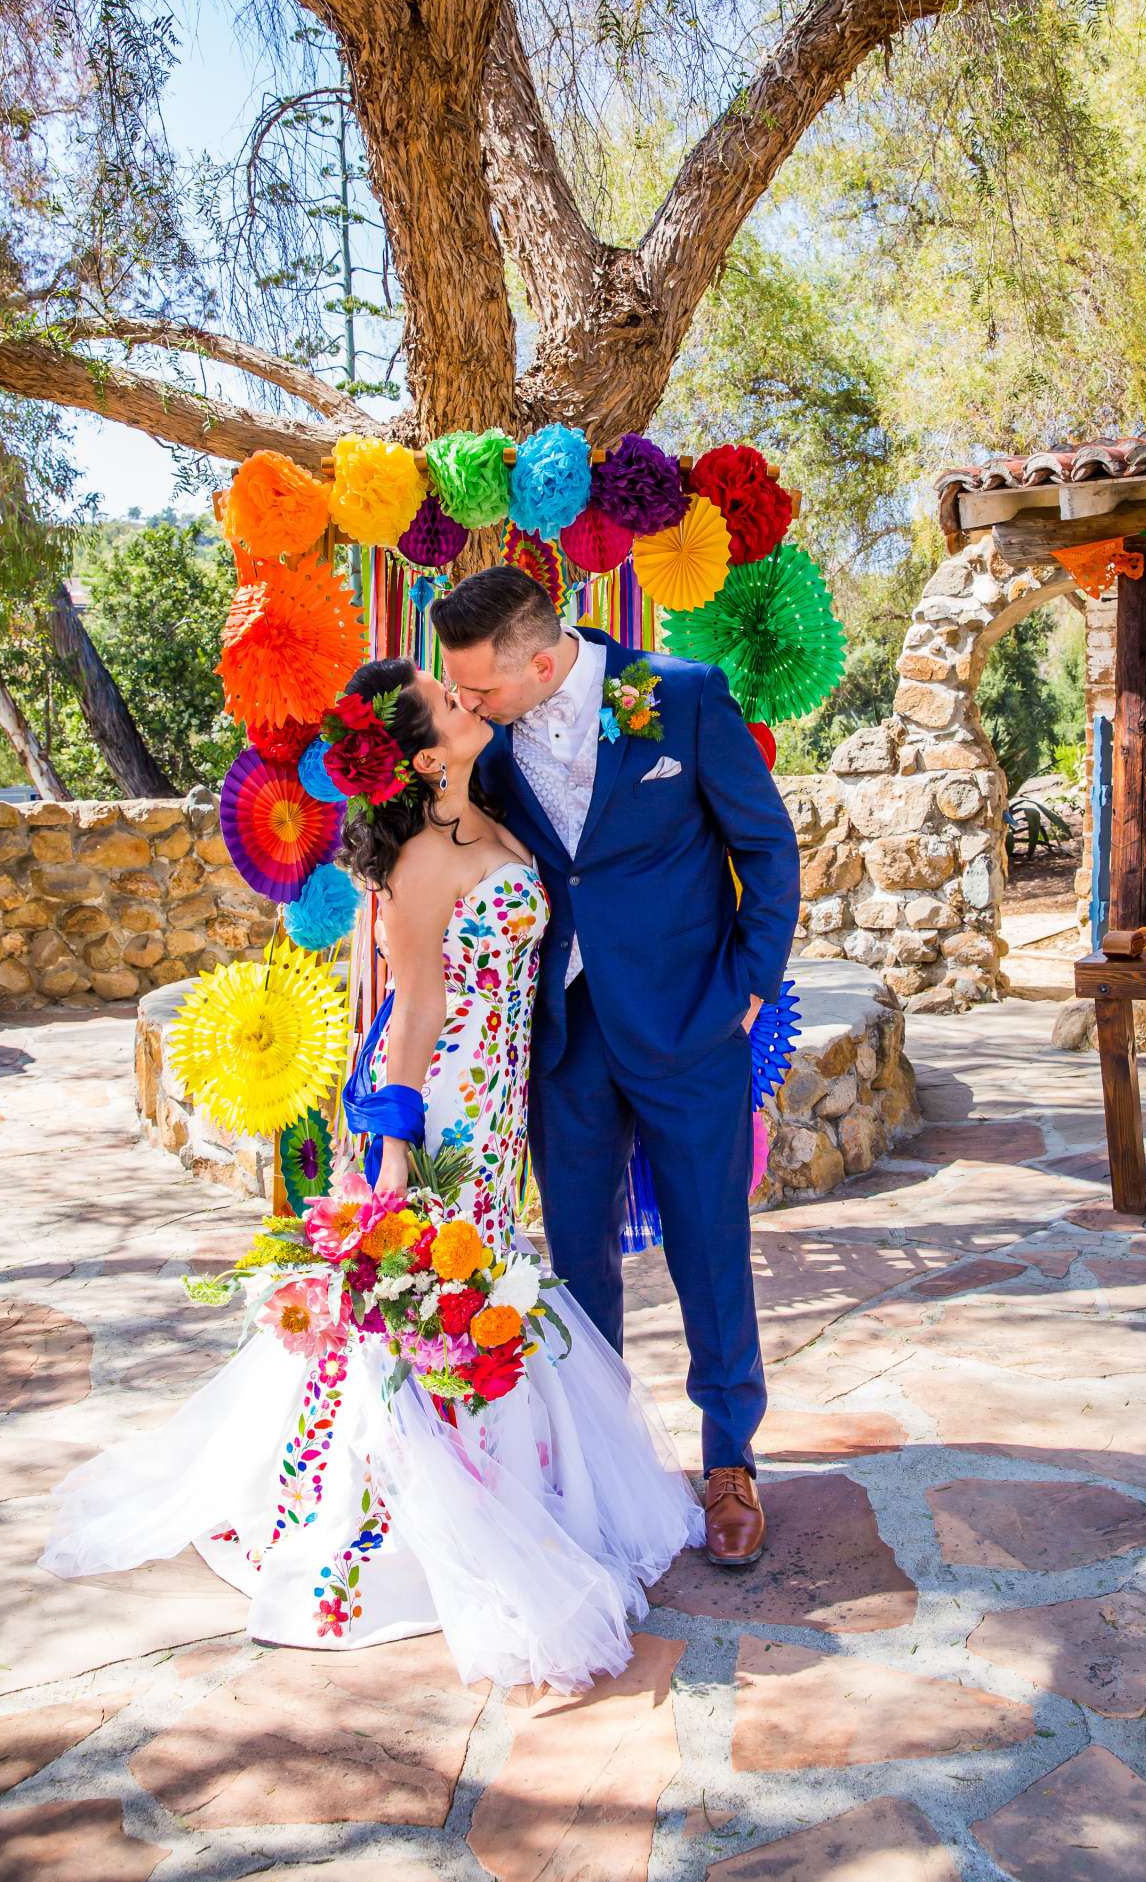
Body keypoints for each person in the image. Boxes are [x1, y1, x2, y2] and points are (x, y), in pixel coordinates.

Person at [41, 658, 703, 1690]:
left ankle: (499, 1475)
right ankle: (406, 1509)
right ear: (427, 754)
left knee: (485, 1276)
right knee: (424, 1291)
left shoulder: (493, 818)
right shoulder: (418, 870)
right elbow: (416, 1014)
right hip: (439, 1101)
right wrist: (393, 1149)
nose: (467, 700)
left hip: (498, 1101)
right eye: (448, 702)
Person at [432, 568, 802, 1570]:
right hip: (566, 1033)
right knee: (578, 1258)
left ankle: (730, 1462)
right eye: (458, 692)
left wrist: (748, 986)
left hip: (690, 1021)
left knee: (709, 1247)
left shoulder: (679, 698)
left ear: (543, 662)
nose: (466, 705)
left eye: (481, 691)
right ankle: (602, 1463)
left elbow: (766, 846)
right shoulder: (490, 749)